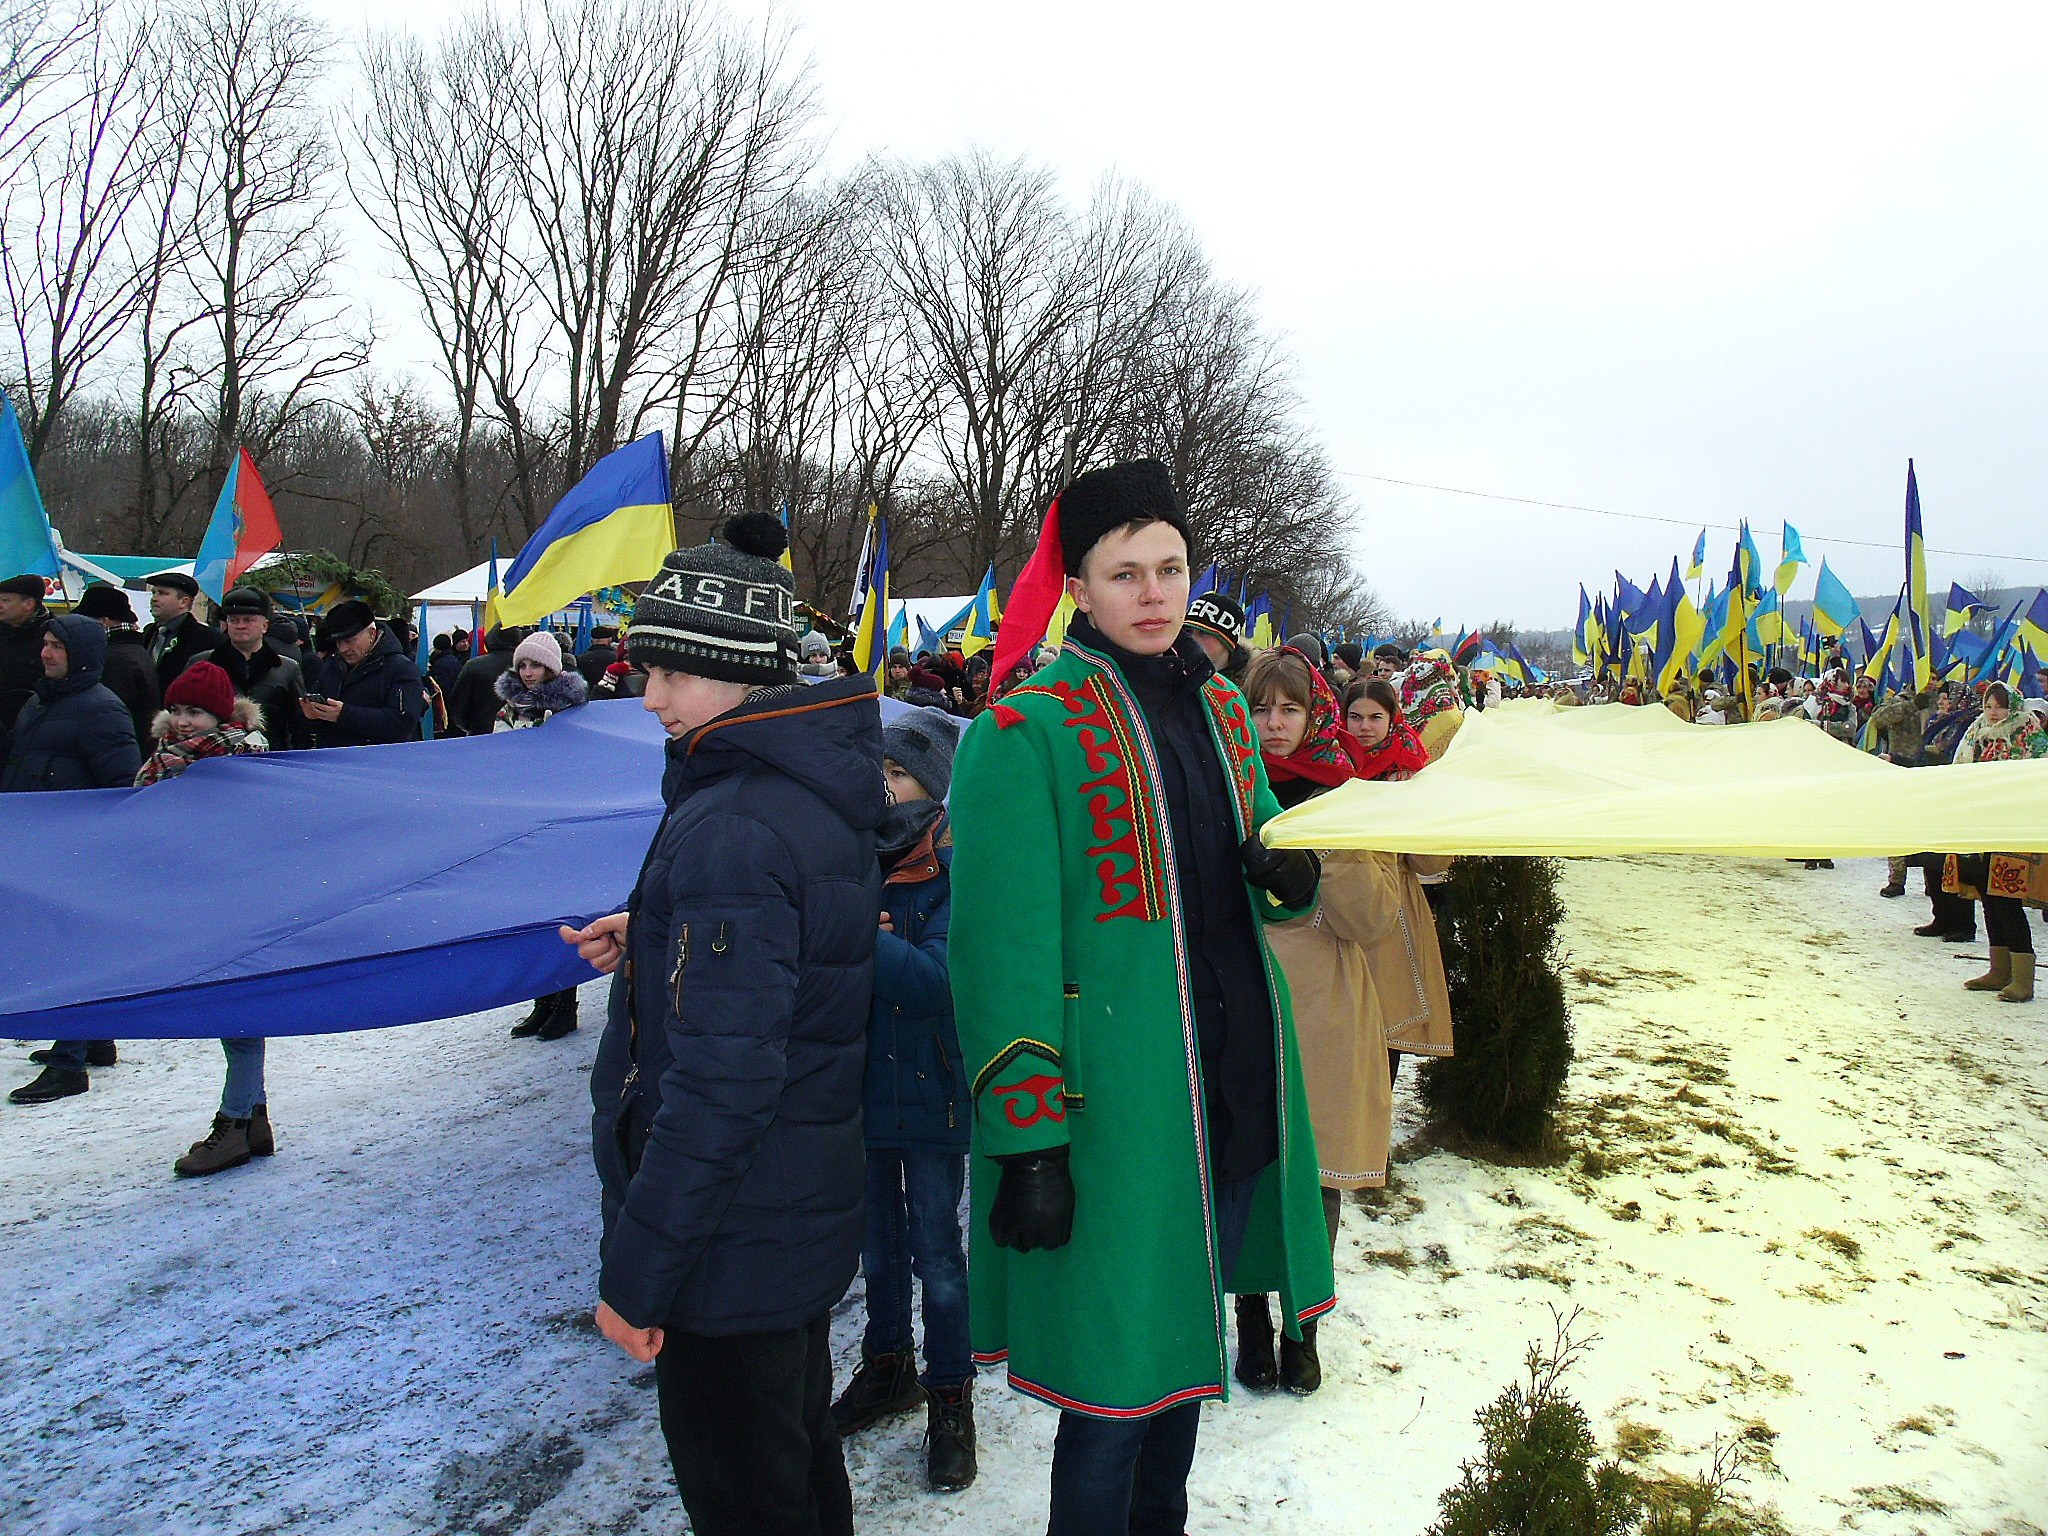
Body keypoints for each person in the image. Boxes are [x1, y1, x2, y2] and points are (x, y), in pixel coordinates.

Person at [947, 459, 1331, 1536]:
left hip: (1229, 1082)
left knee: (1182, 1358)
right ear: (1076, 586)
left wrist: (1286, 881)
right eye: (1125, 574)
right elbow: (996, 953)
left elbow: (1255, 877)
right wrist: (1024, 1137)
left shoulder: (1217, 710)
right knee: (1111, 1392)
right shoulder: (1020, 736)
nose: (1154, 593)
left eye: (1170, 568)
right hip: (1110, 1114)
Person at [564, 512, 880, 1536]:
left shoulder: (736, 822)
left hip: (727, 1249)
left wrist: (639, 1276)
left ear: (740, 673)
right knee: (794, 1471)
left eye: (671, 674)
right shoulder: (785, 789)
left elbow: (720, 1085)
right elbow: (785, 969)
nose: (646, 696)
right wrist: (654, 933)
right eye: (641, 671)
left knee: (752, 1497)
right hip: (783, 1221)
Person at [1239, 645, 1398, 1396]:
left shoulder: (1347, 794)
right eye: (1262, 708)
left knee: (1315, 1176)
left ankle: (1305, 1326)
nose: (1274, 725)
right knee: (1241, 1163)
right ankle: (1248, 1319)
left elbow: (1370, 921)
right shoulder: (1220, 786)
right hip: (1238, 996)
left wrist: (1323, 843)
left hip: (1324, 1006)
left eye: (1291, 709)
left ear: (1315, 715)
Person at [831, 705, 977, 1491]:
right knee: (876, 1252)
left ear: (934, 784)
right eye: (878, 771)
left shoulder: (956, 871)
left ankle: (950, 1396)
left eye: (898, 772)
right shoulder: (850, 861)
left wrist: (865, 935)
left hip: (929, 1097)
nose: (883, 787)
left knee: (936, 1256)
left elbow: (935, 983)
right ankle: (887, 1366)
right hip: (857, 1090)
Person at [124, 661, 281, 1170]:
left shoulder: (242, 762)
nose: (184, 720)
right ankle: (253, 1119)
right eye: (177, 709)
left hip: (238, 899)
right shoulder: (164, 761)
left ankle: (234, 1124)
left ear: (222, 716)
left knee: (238, 1013)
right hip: (194, 897)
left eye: (196, 711)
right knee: (234, 1011)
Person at [5, 614, 142, 1105]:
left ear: (81, 654)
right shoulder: (40, 701)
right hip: (37, 844)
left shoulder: (101, 710)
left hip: (77, 851)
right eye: (44, 643)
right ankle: (95, 1038)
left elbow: (122, 784)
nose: (46, 653)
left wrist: (100, 846)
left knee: (71, 951)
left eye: (57, 647)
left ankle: (68, 1063)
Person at [494, 631, 592, 1041]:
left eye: (535, 664)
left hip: (560, 823)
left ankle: (563, 1005)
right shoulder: (509, 708)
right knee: (531, 915)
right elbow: (496, 754)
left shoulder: (571, 709)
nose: (528, 672)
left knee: (560, 914)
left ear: (553, 667)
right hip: (522, 820)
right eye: (523, 665)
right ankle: (541, 1000)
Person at [1952, 683, 2046, 1003]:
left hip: (2013, 828)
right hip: (1980, 825)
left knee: (2007, 899)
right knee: (1988, 897)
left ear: (2013, 707)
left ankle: (2023, 979)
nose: (1993, 711)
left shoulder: (2029, 735)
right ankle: (1999, 969)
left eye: (2000, 706)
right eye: (1989, 704)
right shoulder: (1975, 731)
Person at [301, 600, 424, 748]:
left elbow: (403, 722)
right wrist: (312, 716)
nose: (343, 649)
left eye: (349, 640)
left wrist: (345, 714)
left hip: (376, 763)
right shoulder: (332, 665)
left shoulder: (401, 668)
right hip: (332, 761)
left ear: (371, 634)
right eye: (338, 642)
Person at [202, 587, 307, 751]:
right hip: (216, 756)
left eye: (248, 620)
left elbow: (298, 726)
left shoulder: (286, 668)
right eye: (234, 620)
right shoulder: (203, 664)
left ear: (264, 626)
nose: (240, 626)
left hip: (271, 759)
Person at [72, 583, 160, 755]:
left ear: (103, 621)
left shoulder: (117, 658)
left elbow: (108, 716)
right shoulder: (130, 649)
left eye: (85, 620)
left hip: (118, 750)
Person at [140, 570, 222, 692]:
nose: (154, 599)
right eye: (153, 593)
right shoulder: (149, 633)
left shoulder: (207, 638)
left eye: (162, 594)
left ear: (184, 602)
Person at [1342, 676, 1429, 781]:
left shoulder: (1405, 763)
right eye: (1355, 717)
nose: (1365, 726)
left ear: (1391, 719)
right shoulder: (1329, 754)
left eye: (1375, 717)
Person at [0, 571, 52, 735]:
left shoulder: (51, 639)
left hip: (31, 730)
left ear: (29, 604)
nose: (0, 605)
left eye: (5, 600)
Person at [449, 625, 524, 735]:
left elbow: (457, 706)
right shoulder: (528, 666)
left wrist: (472, 727)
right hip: (520, 734)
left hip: (481, 733)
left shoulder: (474, 666)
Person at [1181, 590, 1251, 686]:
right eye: (1188, 631)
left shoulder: (1252, 687)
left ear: (1226, 642)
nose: (1192, 639)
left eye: (1203, 633)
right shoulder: (1168, 672)